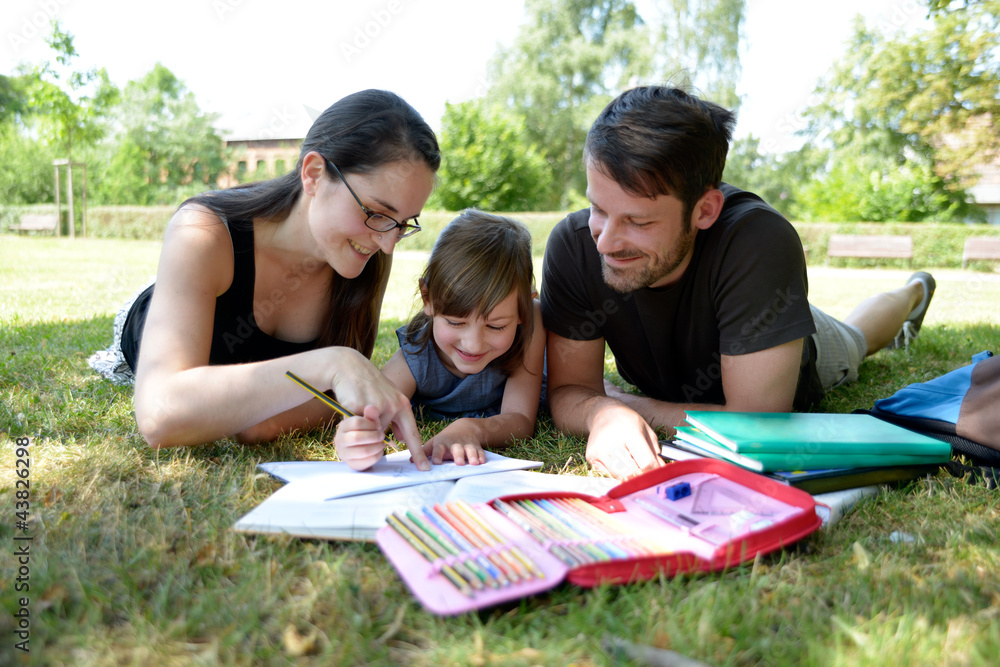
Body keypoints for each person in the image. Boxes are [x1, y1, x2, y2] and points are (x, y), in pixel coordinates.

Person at [540, 85, 937, 480]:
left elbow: (756, 420)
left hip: (778, 334)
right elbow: (569, 391)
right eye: (598, 208)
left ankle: (913, 293)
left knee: (857, 340)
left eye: (638, 222)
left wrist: (630, 403)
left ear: (705, 210)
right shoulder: (574, 245)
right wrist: (603, 412)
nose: (605, 241)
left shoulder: (759, 242)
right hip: (749, 315)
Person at [87, 89, 440, 470]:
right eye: (376, 212)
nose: (388, 244)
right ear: (314, 174)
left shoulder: (365, 249)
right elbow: (160, 415)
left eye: (402, 224)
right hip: (159, 309)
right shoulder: (204, 231)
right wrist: (334, 363)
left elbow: (308, 409)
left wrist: (282, 417)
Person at [334, 210, 547, 470]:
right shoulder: (415, 356)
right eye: (456, 322)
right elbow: (375, 413)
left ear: (524, 309)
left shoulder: (531, 322)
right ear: (428, 299)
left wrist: (472, 429)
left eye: (495, 326)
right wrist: (357, 436)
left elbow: (521, 420)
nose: (473, 344)